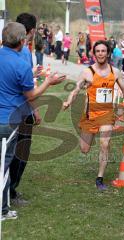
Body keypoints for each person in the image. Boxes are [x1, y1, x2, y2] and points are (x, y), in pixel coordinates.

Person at [0, 22, 66, 220]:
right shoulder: (20, 63)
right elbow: (31, 95)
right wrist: (48, 81)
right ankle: (2, 210)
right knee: (4, 165)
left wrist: (32, 75)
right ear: (22, 41)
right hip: (9, 120)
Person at [63, 40, 124, 190]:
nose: (101, 53)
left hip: (107, 113)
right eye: (98, 51)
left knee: (105, 144)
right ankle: (90, 136)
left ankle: (100, 178)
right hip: (90, 114)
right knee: (84, 149)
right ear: (94, 54)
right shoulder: (87, 72)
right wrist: (68, 101)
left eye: (103, 51)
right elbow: (76, 90)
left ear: (108, 53)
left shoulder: (115, 72)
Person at [9, 12, 40, 206]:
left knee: (9, 151)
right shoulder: (25, 51)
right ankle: (10, 191)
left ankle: (9, 190)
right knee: (20, 153)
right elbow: (26, 89)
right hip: (21, 110)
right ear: (32, 31)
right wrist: (34, 110)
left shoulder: (6, 48)